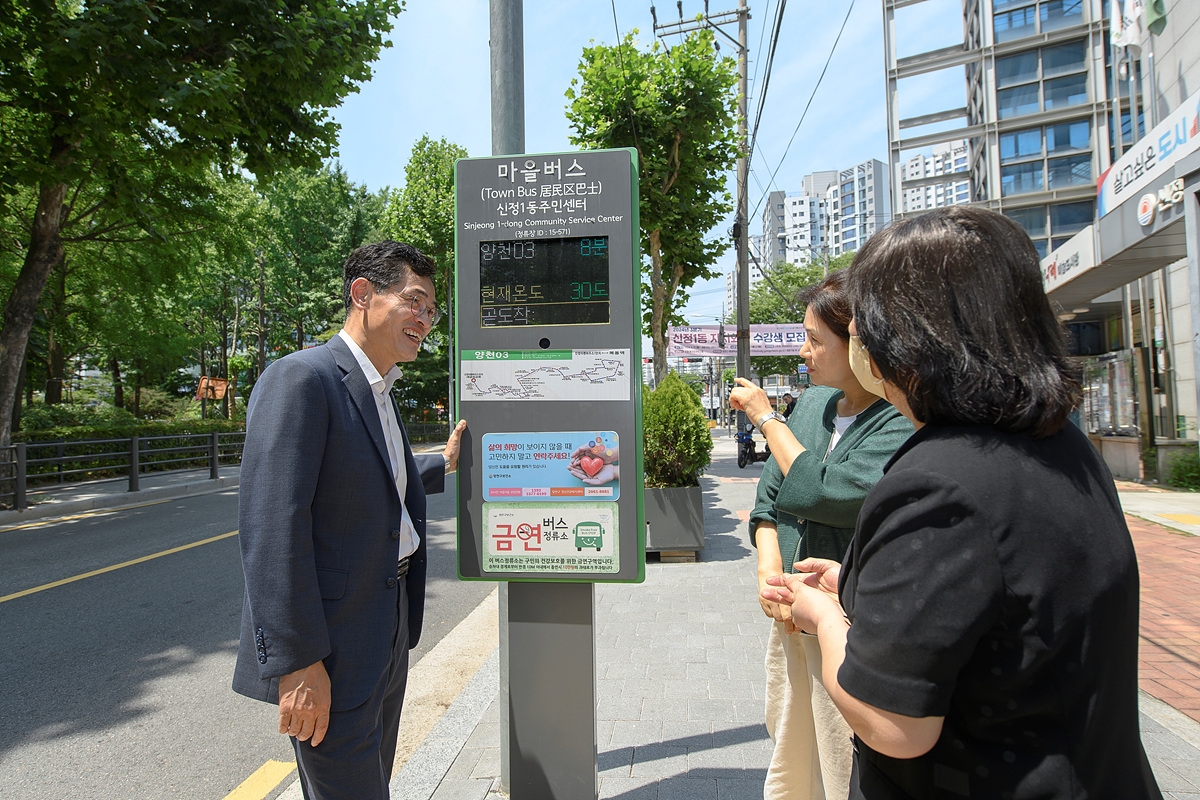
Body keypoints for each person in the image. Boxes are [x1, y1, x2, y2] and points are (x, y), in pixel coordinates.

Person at [764, 206, 1162, 799]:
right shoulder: (1062, 445)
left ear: (910, 337)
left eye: (869, 325)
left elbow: (892, 723)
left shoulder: (938, 480)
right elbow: (1004, 597)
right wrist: (862, 583)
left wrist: (823, 617)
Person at [232, 241, 468, 800]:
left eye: (431, 311)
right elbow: (271, 530)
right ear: (363, 294)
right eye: (414, 302)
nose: (425, 321)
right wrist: (298, 663)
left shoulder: (378, 387)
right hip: (331, 650)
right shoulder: (302, 378)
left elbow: (377, 472)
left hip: (386, 629)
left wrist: (440, 465)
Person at [729, 270, 912, 800]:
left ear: (860, 343)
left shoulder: (898, 418)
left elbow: (826, 493)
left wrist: (766, 420)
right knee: (791, 751)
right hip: (790, 613)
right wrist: (770, 577)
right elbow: (768, 500)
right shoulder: (812, 405)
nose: (804, 353)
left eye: (815, 340)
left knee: (841, 758)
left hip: (849, 619)